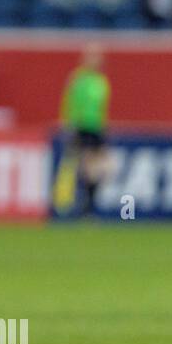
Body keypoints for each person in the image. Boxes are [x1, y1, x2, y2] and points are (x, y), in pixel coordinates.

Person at [59, 44, 111, 215]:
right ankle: (77, 205)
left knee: (101, 169)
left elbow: (102, 109)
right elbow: (71, 104)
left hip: (97, 129)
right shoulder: (79, 79)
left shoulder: (101, 81)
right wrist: (70, 125)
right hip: (82, 128)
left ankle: (88, 203)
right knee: (84, 167)